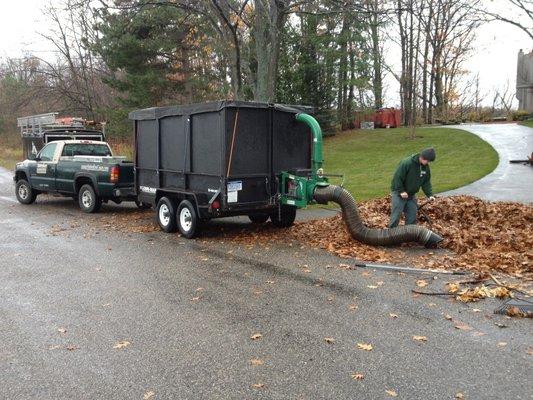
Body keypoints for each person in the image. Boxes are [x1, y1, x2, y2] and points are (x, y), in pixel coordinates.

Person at [389, 147, 436, 228]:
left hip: (411, 195)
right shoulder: (407, 163)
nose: (428, 163)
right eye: (427, 161)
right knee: (396, 215)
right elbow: (397, 178)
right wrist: (401, 191)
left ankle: (409, 236)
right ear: (422, 157)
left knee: (412, 216)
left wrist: (430, 195)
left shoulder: (425, 167)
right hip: (399, 193)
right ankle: (391, 235)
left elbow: (426, 182)